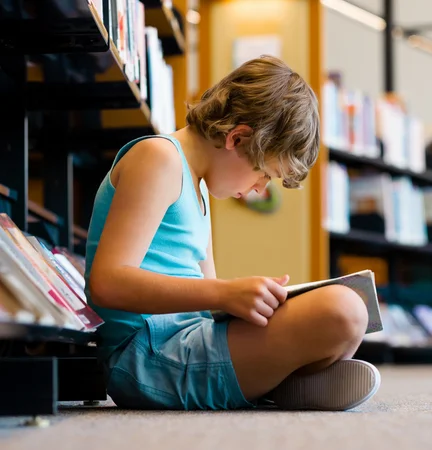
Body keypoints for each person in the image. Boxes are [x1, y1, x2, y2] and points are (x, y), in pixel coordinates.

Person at [84, 55, 381, 411]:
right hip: (145, 355)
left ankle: (276, 383)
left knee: (349, 308)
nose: (259, 188)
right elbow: (106, 283)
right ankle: (280, 383)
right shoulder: (158, 157)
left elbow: (204, 302)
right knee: (343, 310)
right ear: (237, 138)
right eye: (264, 174)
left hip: (184, 339)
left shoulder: (200, 188)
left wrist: (244, 303)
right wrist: (225, 293)